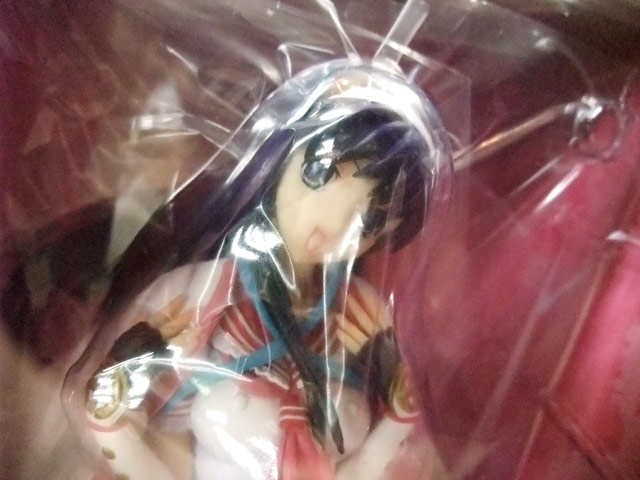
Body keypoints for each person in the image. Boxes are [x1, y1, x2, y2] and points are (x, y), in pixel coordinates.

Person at [75, 67, 446, 480]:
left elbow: (381, 451)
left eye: (370, 221)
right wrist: (118, 387)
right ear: (280, 159)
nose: (332, 222)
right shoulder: (199, 296)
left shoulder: (361, 314)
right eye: (318, 174)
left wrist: (397, 406)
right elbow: (115, 423)